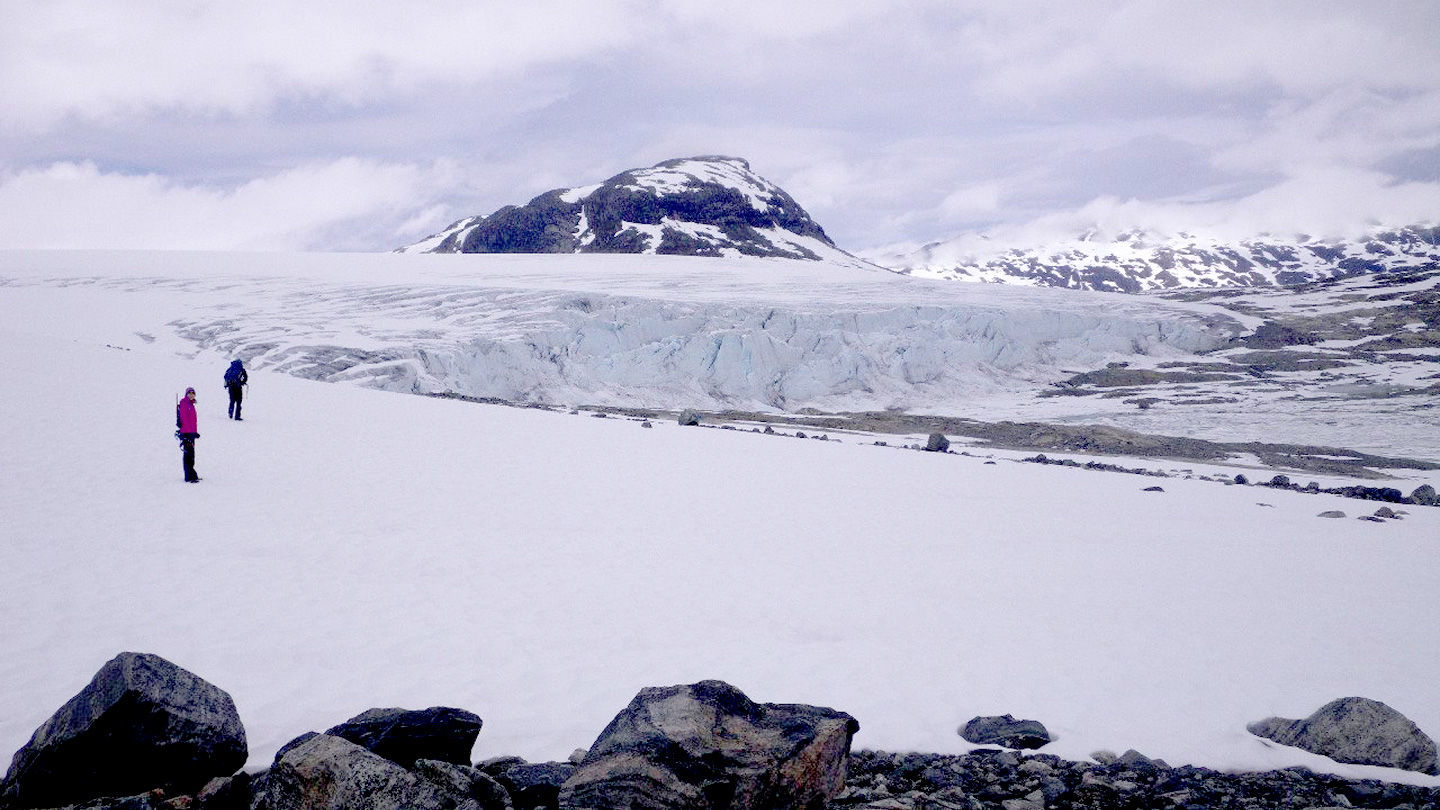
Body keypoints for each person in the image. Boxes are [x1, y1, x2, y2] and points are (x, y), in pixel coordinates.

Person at [176, 387, 201, 483]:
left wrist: (194, 432)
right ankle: (189, 476)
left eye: (193, 393)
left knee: (191, 455)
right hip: (187, 433)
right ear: (186, 394)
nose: (191, 395)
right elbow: (185, 420)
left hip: (190, 433)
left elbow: (192, 421)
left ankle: (191, 474)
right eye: (189, 393)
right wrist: (187, 433)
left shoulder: (191, 404)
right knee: (188, 455)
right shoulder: (185, 404)